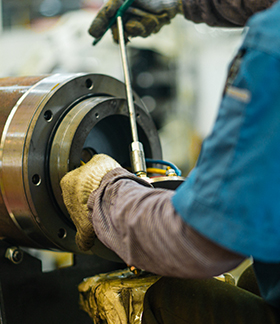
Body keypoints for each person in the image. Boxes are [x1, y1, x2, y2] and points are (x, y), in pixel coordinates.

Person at [60, 0, 280, 323]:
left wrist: (103, 192)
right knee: (254, 280)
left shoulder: (271, 47)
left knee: (168, 299)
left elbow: (196, 238)